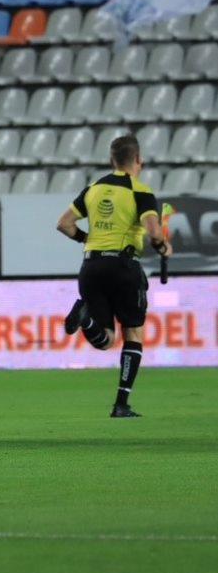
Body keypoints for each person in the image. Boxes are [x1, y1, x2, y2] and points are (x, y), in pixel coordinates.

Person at [56, 134, 171, 418]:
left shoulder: (93, 189)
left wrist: (88, 239)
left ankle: (86, 317)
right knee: (132, 333)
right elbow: (155, 232)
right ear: (138, 161)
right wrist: (163, 246)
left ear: (112, 161)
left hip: (91, 267)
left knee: (106, 339)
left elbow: (64, 224)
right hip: (123, 267)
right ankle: (121, 404)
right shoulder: (140, 191)